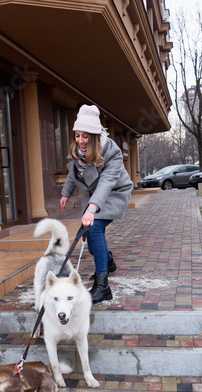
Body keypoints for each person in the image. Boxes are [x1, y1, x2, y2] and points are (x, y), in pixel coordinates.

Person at [60, 104, 133, 304]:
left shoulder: (111, 152)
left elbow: (107, 182)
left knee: (94, 229)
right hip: (94, 196)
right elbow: (72, 173)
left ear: (94, 135)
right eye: (77, 135)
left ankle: (103, 286)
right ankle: (108, 261)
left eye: (85, 136)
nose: (80, 141)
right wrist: (66, 193)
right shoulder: (77, 151)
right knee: (92, 244)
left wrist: (91, 209)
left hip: (114, 194)